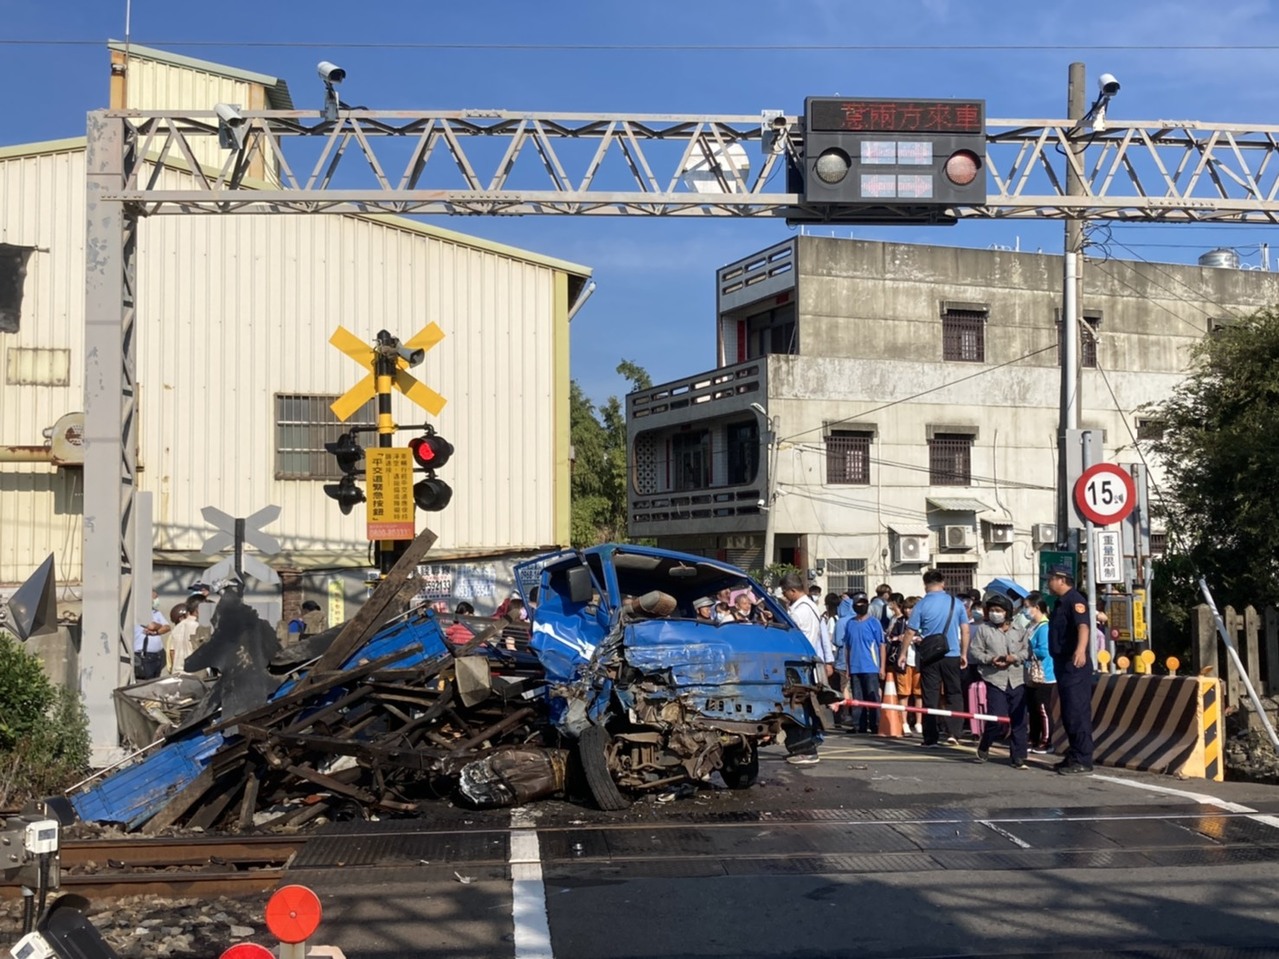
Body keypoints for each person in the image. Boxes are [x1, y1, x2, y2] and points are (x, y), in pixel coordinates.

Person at [897, 569, 970, 748]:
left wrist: (903, 653)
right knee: (954, 693)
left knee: (930, 695)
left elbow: (910, 631)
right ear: (943, 582)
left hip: (929, 656)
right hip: (951, 654)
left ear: (925, 584)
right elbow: (965, 630)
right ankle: (954, 732)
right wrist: (964, 653)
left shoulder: (921, 605)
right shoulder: (956, 603)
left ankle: (930, 737)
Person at [969, 594, 1030, 768]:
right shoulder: (984, 630)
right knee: (996, 718)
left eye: (999, 610)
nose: (995, 614)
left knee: (1019, 720)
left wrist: (1014, 657)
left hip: (1017, 679)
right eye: (992, 610)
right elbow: (975, 652)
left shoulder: (1019, 629)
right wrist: (990, 659)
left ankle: (1018, 756)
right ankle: (986, 742)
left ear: (1008, 613)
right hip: (995, 679)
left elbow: (1027, 651)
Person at [1047, 565, 1095, 774]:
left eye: (1051, 579)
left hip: (1075, 665)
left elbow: (1083, 626)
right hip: (1062, 664)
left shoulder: (1075, 600)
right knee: (1068, 712)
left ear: (1061, 580)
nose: (1048, 583)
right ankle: (1074, 753)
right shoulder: (1060, 603)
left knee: (1077, 711)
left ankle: (1083, 759)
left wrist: (1081, 650)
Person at [780, 572, 825, 765]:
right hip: (807, 661)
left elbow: (789, 636)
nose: (784, 596)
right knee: (803, 705)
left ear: (792, 590)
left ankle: (805, 749)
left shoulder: (800, 611)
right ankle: (806, 745)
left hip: (797, 664)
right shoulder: (811, 606)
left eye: (785, 592)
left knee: (797, 707)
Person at [840, 592, 885, 734]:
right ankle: (858, 725)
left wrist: (882, 667)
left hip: (871, 667)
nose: (861, 606)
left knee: (872, 697)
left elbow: (881, 645)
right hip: (855, 667)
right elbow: (847, 646)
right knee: (857, 698)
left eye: (863, 603)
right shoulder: (850, 623)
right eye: (858, 604)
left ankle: (875, 724)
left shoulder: (874, 623)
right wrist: (847, 667)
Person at [1022, 591, 1056, 753]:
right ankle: (1033, 738)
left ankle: (1046, 741)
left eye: (1027, 607)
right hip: (1031, 674)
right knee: (1033, 708)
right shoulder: (1031, 626)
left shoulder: (1044, 627)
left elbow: (1044, 650)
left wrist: (1027, 650)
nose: (1025, 611)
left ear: (1036, 607)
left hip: (1044, 675)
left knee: (1042, 708)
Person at [893, 596, 923, 736]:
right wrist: (898, 638)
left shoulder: (924, 622)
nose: (908, 611)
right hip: (903, 661)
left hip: (919, 660)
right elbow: (889, 637)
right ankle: (904, 722)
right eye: (906, 608)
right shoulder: (899, 622)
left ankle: (918, 722)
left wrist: (920, 640)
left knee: (918, 693)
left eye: (911, 608)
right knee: (903, 693)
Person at [132, 590, 170, 681]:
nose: (157, 600)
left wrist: (156, 631)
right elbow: (151, 625)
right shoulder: (138, 613)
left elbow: (167, 627)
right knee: (145, 682)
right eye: (155, 597)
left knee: (155, 681)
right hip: (144, 656)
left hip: (157, 655)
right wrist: (159, 626)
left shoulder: (156, 613)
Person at [166, 602, 199, 676]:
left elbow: (172, 652)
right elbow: (172, 653)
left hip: (177, 672)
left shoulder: (175, 630)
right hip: (190, 673)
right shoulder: (196, 626)